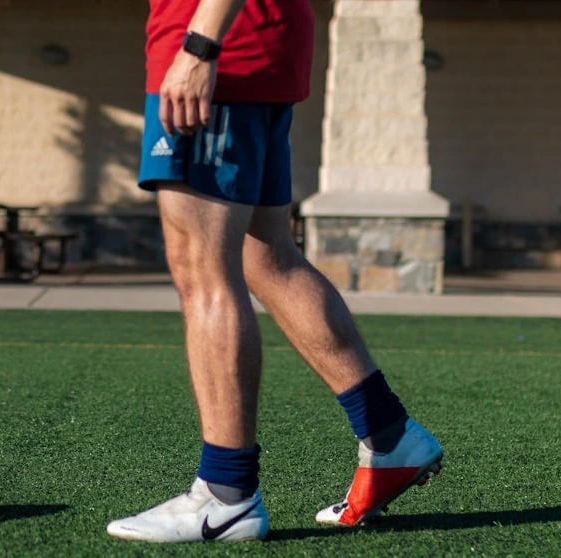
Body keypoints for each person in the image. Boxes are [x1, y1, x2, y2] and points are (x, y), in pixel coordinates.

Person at [105, 0, 444, 543]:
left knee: (204, 270)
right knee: (267, 257)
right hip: (257, 49)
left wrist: (199, 47)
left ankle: (227, 494)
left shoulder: (206, 48)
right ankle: (388, 433)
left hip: (218, 50)